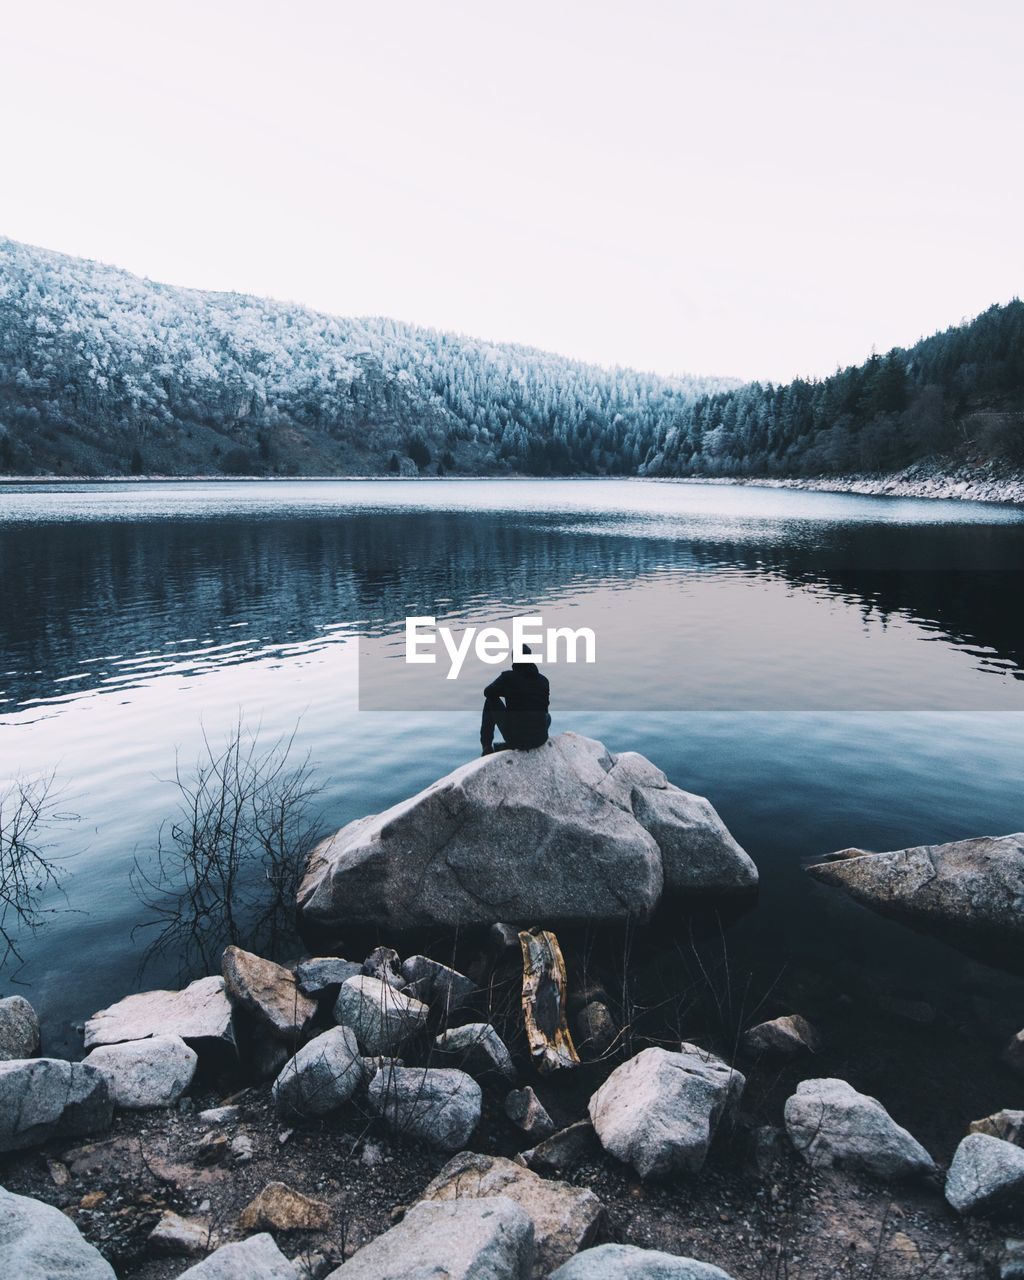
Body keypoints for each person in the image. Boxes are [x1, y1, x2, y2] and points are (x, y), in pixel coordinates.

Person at [480, 645, 551, 755]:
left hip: (516, 740)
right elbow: (544, 709)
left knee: (490, 701)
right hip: (541, 738)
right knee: (547, 716)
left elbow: (487, 692)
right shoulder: (543, 680)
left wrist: (506, 691)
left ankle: (486, 747)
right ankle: (524, 740)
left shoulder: (508, 678)